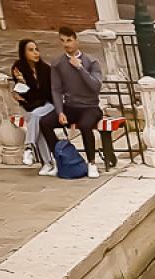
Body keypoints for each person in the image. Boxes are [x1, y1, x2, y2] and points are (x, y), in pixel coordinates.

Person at [41, 27, 105, 179]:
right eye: (62, 41)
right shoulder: (57, 63)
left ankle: (91, 163)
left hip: (90, 107)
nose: (66, 44)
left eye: (69, 40)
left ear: (76, 40)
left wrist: (80, 68)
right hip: (70, 106)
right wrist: (60, 111)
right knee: (45, 122)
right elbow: (56, 89)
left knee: (85, 125)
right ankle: (60, 160)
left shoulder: (91, 61)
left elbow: (96, 87)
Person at [10, 39, 55, 172]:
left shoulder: (45, 69)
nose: (35, 53)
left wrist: (27, 90)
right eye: (31, 50)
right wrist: (22, 82)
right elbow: (26, 95)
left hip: (50, 104)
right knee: (36, 123)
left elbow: (45, 94)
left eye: (36, 49)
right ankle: (47, 163)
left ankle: (29, 147)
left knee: (34, 117)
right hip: (32, 106)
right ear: (23, 53)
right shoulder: (18, 68)